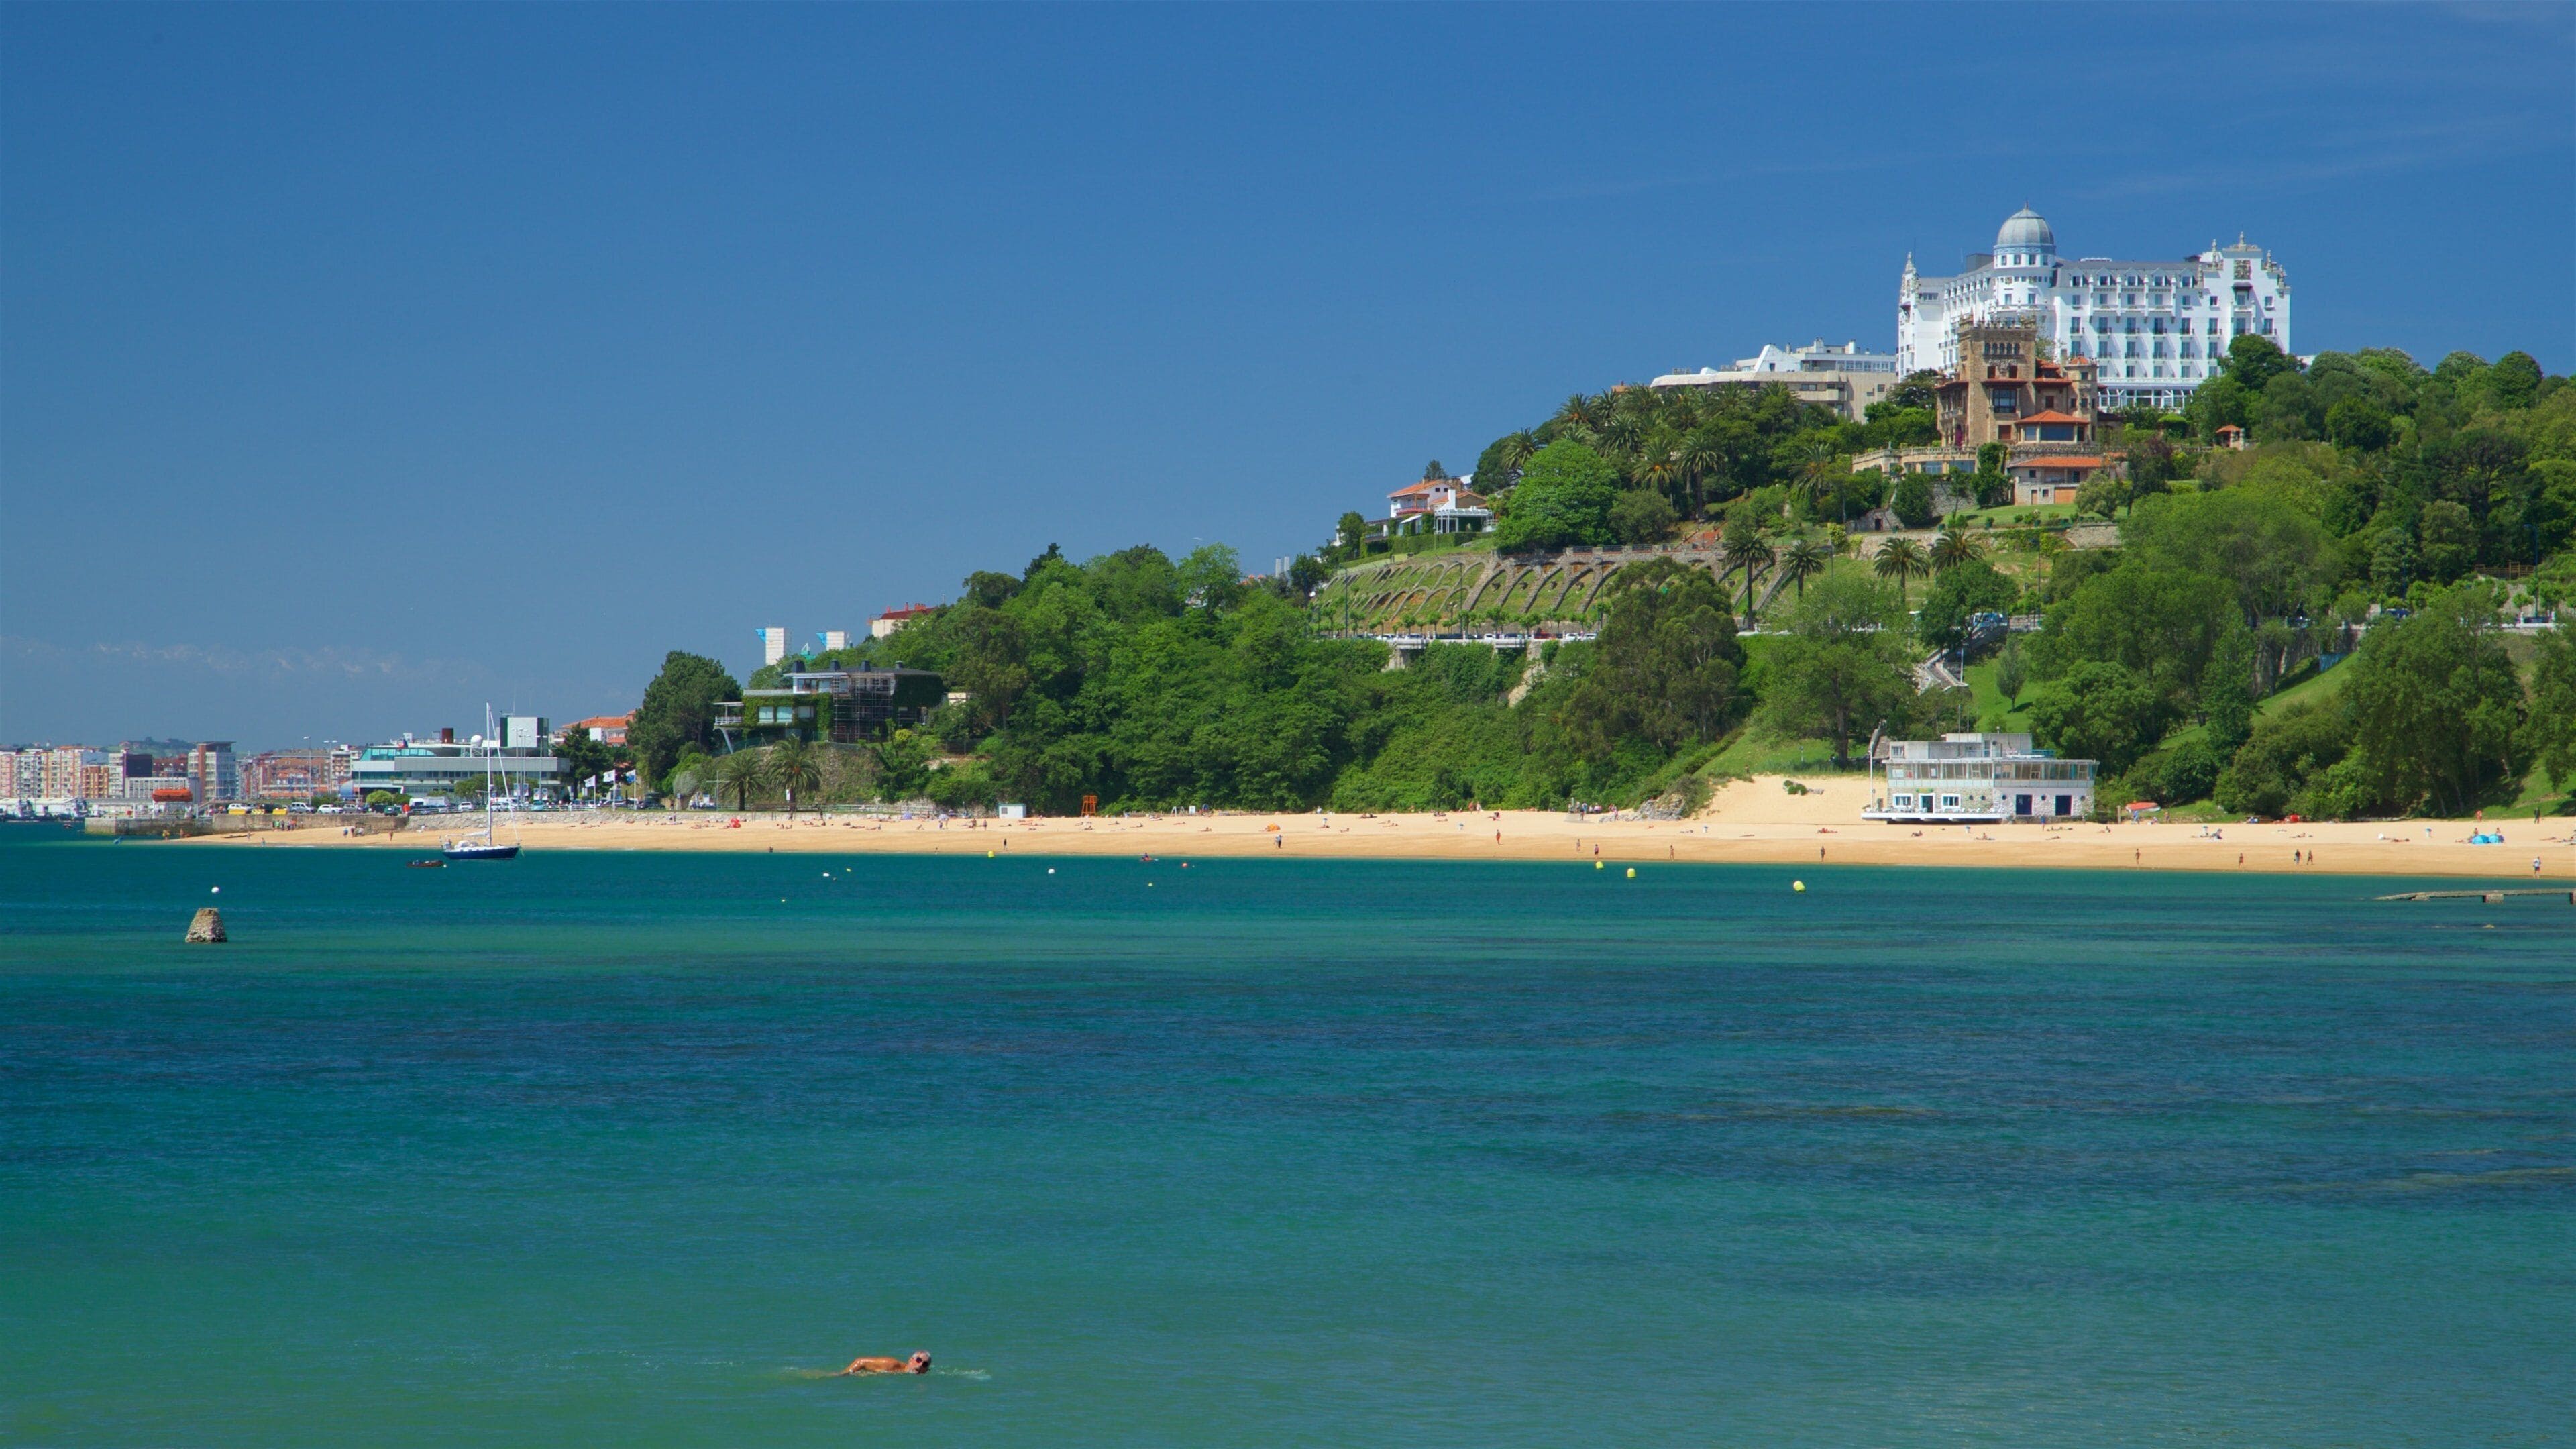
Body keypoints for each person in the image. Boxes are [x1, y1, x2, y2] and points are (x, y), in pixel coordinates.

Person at [842, 1352, 931, 1375]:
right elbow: (860, 1361)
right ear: (910, 1360)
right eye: (918, 1360)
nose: (920, 1365)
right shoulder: (891, 1365)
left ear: (926, 1370)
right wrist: (844, 1374)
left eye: (925, 1364)